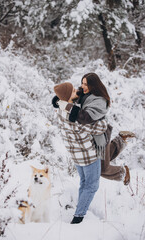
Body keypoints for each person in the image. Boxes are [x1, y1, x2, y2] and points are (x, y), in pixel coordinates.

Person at [54, 73, 135, 185]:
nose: (82, 87)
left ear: (93, 85)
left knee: (102, 169)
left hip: (100, 134)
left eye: (86, 84)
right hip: (92, 135)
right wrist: (58, 100)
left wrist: (69, 108)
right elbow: (70, 95)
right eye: (82, 83)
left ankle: (123, 172)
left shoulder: (99, 100)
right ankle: (121, 140)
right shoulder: (85, 92)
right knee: (104, 162)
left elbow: (86, 118)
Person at [53, 81, 109, 224]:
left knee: (84, 183)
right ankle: (78, 217)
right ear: (66, 97)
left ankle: (80, 209)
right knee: (92, 186)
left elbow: (69, 102)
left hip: (76, 156)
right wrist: (103, 118)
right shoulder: (75, 118)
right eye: (73, 91)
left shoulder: (60, 109)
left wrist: (58, 101)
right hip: (88, 156)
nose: (77, 91)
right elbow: (100, 128)